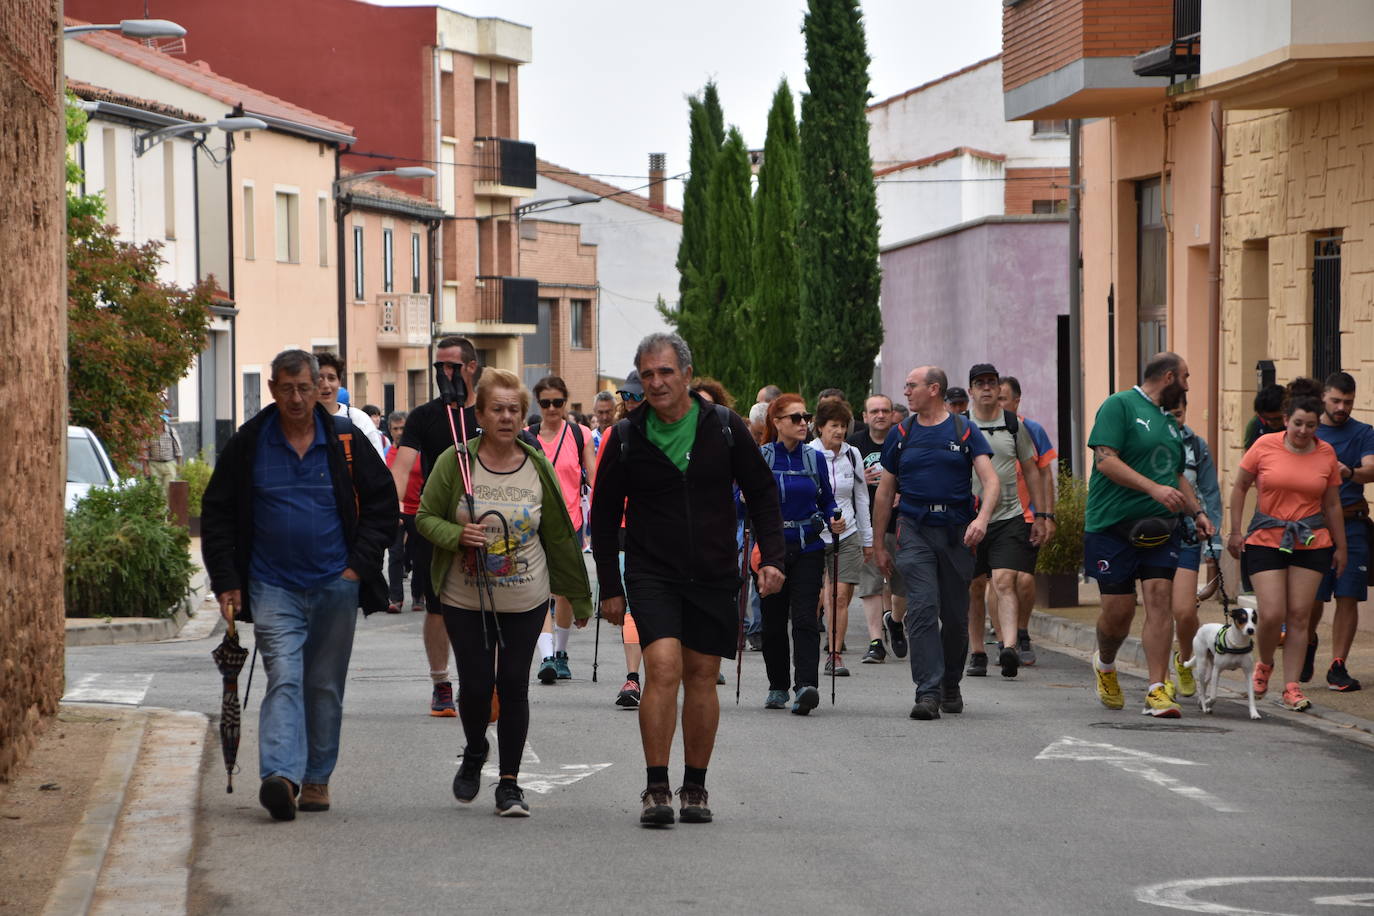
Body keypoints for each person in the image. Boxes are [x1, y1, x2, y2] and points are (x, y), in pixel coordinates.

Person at [591, 332, 785, 826]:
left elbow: (762, 492)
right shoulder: (627, 436)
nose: (656, 383)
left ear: (686, 375)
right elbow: (606, 515)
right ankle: (657, 786)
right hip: (652, 570)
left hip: (714, 571)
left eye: (665, 372)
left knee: (701, 676)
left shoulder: (722, 427)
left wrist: (772, 557)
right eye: (647, 374)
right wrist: (610, 589)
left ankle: (694, 787)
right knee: (662, 667)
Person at [201, 349, 395, 820]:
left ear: (319, 388)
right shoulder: (250, 443)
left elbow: (382, 505)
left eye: (304, 388)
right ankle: (280, 777)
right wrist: (227, 580)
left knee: (324, 685)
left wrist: (357, 567)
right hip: (272, 585)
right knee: (284, 676)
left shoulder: (344, 439)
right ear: (272, 389)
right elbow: (218, 513)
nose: (295, 397)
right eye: (285, 388)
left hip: (335, 583)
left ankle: (315, 779)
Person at [416, 369, 592, 816]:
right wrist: (458, 535)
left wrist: (580, 595)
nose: (507, 417)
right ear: (480, 413)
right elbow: (424, 517)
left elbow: (558, 535)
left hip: (525, 597)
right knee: (475, 687)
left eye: (515, 410)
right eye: (497, 409)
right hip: (464, 597)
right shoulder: (456, 462)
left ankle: (509, 785)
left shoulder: (537, 466)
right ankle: (476, 749)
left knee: (513, 685)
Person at [1083, 352, 1215, 718]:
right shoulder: (1119, 405)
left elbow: (1174, 475)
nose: (1188, 386)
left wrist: (1198, 512)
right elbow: (1105, 460)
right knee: (1118, 612)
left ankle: (1157, 688)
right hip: (1111, 525)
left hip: (1160, 528)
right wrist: (1151, 489)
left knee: (1159, 598)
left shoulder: (1169, 423)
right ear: (1169, 377)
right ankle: (1106, 664)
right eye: (1186, 378)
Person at [872, 367, 997, 720]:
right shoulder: (902, 433)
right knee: (924, 607)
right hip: (915, 528)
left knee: (956, 618)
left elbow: (991, 482)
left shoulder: (963, 429)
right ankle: (927, 691)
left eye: (912, 386)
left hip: (957, 530)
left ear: (934, 389)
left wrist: (981, 520)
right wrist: (879, 543)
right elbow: (885, 492)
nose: (906, 392)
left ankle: (950, 684)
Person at [1229, 386, 1346, 712]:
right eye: (1298, 424)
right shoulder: (1264, 445)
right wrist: (1235, 530)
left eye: (1310, 425)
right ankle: (1264, 664)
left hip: (1311, 541)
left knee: (1299, 616)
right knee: (1272, 613)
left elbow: (1333, 503)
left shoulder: (1326, 454)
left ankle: (1292, 686)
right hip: (1267, 537)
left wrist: (1342, 547)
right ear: (1285, 420)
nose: (1303, 431)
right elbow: (1239, 487)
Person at [390, 337, 481, 717]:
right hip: (437, 524)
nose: (445, 373)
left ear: (471, 367)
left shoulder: (491, 412)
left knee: (484, 609)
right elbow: (403, 465)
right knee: (438, 608)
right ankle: (441, 683)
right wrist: (390, 508)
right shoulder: (424, 416)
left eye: (453, 367)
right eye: (439, 367)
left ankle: (478, 682)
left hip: (488, 523)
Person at [963, 364, 1050, 680]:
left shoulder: (1014, 426)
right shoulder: (961, 426)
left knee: (1004, 580)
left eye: (991, 383)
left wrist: (1040, 514)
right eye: (980, 383)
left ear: (998, 389)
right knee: (974, 587)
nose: (987, 388)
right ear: (971, 391)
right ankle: (977, 652)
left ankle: (1009, 646)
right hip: (969, 519)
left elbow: (1031, 469)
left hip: (1009, 516)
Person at [757, 393, 841, 713]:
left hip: (809, 546)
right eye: (796, 418)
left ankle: (806, 685)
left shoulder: (814, 458)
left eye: (805, 417)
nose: (804, 423)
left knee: (807, 617)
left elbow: (827, 499)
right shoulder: (762, 457)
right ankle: (777, 685)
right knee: (773, 622)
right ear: (776, 422)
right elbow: (742, 498)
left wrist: (835, 515)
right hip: (771, 549)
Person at [1306, 372, 1374, 692]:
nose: (1341, 407)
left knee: (1348, 593)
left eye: (1348, 401)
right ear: (1323, 398)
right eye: (1335, 400)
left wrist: (1352, 472)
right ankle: (1307, 641)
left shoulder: (1363, 432)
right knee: (1313, 596)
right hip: (1313, 525)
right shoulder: (1308, 430)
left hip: (1352, 521)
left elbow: (1371, 468)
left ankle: (1338, 665)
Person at [528, 375, 596, 682]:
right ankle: (548, 657)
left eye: (557, 402)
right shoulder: (527, 436)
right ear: (538, 404)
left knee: (565, 591)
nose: (552, 408)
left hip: (571, 524)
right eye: (545, 403)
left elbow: (593, 477)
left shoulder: (580, 434)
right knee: (541, 589)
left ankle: (562, 651)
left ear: (565, 402)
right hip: (534, 523)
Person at [996, 376, 1058, 666]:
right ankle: (1003, 640)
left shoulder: (1031, 430)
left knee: (1024, 579)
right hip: (989, 516)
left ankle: (1021, 631)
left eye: (1003, 398)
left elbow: (1045, 474)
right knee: (997, 581)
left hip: (1026, 515)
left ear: (1016, 401)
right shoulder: (979, 429)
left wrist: (1047, 515)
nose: (997, 403)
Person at [1166, 392, 1223, 698]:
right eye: (1168, 414)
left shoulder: (1196, 446)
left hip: (1188, 532)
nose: (1174, 420)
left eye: (1178, 413)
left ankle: (1185, 658)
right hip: (1152, 532)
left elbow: (1210, 493)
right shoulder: (1148, 443)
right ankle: (1159, 680)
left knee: (1185, 611)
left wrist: (1214, 545)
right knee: (1159, 609)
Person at [813, 398, 871, 677]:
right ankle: (807, 643)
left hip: (847, 534)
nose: (839, 431)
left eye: (843, 426)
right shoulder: (807, 453)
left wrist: (867, 538)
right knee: (813, 595)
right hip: (812, 534)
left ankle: (834, 653)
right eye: (833, 425)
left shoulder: (853, 455)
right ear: (820, 427)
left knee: (840, 595)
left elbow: (861, 497)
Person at [849, 394, 905, 664]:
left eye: (885, 410)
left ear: (893, 414)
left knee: (901, 584)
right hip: (865, 524)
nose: (880, 415)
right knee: (870, 584)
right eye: (875, 411)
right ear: (865, 416)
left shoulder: (903, 440)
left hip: (900, 522)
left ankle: (894, 620)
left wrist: (901, 493)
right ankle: (876, 642)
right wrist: (859, 478)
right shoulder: (854, 446)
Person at [384, 411, 423, 615]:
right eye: (395, 429)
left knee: (419, 556)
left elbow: (427, 480)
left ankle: (418, 596)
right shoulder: (384, 454)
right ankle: (395, 598)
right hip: (395, 512)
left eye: (403, 428)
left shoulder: (419, 453)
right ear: (389, 430)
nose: (399, 432)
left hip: (418, 511)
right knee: (395, 555)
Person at [315, 354, 385, 458]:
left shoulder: (358, 419)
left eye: (331, 378)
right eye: (319, 379)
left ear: (339, 382)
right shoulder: (303, 420)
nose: (326, 385)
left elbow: (377, 467)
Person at [1243, 384, 1288, 450]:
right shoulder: (1255, 425)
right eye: (1266, 418)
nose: (1271, 423)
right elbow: (1249, 452)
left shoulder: (1294, 426)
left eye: (1277, 419)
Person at [591, 390, 617, 454]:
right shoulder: (590, 439)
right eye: (600, 412)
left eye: (608, 412)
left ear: (615, 410)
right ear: (594, 412)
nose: (604, 417)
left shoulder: (623, 435)